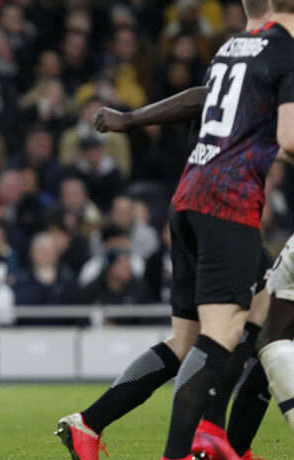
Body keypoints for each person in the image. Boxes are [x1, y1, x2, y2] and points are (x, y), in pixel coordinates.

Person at [56, 2, 284, 459]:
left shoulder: (230, 50)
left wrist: (132, 117)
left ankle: (90, 423)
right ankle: (211, 439)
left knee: (194, 337)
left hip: (190, 194)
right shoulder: (281, 51)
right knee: (259, 321)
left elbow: (201, 97)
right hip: (225, 202)